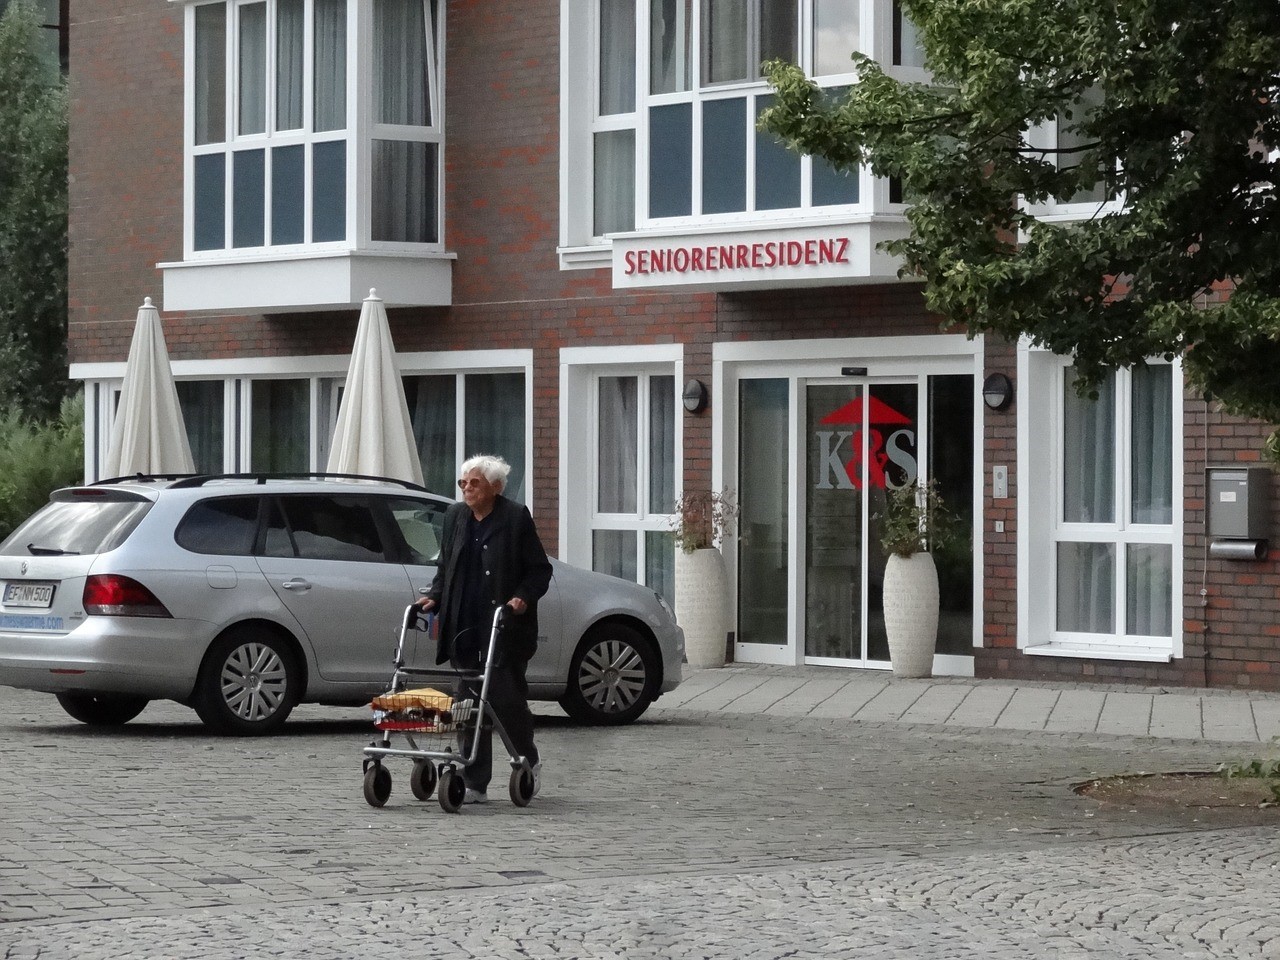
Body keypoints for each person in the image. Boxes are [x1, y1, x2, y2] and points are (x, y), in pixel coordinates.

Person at [416, 454, 552, 804]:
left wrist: (522, 597)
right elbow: (446, 565)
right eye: (463, 483)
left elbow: (539, 570)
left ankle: (526, 760)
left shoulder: (514, 517)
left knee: (505, 700)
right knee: (467, 703)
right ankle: (474, 780)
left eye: (474, 483)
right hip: (464, 623)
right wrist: (435, 595)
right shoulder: (455, 516)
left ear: (496, 487)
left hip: (503, 626)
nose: (467, 488)